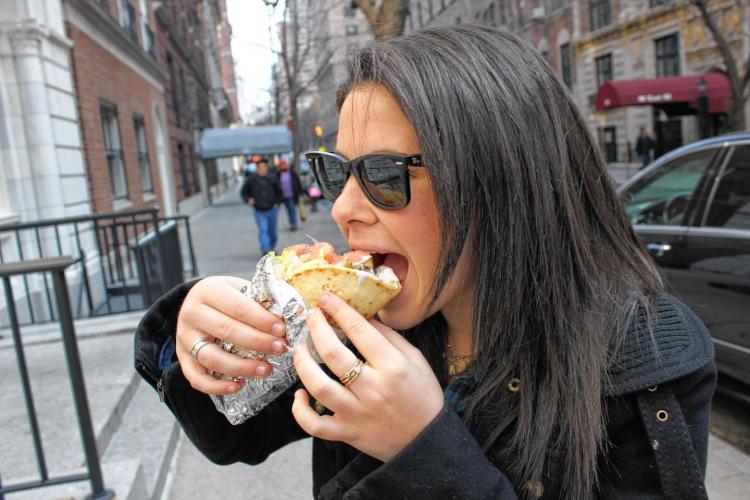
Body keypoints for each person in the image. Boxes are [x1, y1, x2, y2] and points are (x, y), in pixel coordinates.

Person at [135, 25, 715, 499]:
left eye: (384, 175)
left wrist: (424, 451)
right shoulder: (360, 330)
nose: (341, 209)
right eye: (338, 171)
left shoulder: (645, 359)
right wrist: (195, 331)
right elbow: (233, 435)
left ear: (498, 181)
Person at [240, 157, 281, 254]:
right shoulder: (251, 180)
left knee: (272, 232)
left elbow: (279, 192)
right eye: (260, 168)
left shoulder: (272, 178)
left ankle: (270, 246)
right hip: (259, 210)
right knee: (263, 230)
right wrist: (248, 199)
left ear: (266, 168)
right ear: (257, 168)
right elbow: (243, 192)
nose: (262, 169)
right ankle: (266, 249)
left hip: (272, 209)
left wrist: (277, 203)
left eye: (264, 167)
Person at [276, 159, 303, 230]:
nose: (283, 166)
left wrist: (300, 192)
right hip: (283, 196)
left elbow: (297, 182)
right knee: (288, 210)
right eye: (282, 165)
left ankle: (293, 224)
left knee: (292, 209)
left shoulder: (292, 173)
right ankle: (291, 223)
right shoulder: (278, 174)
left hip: (292, 194)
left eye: (284, 164)